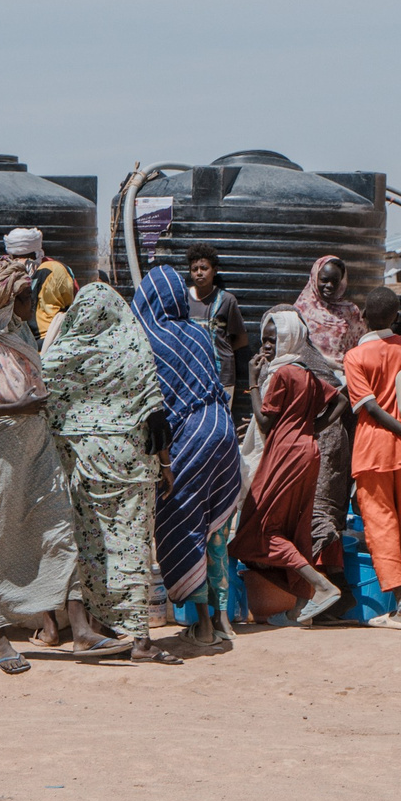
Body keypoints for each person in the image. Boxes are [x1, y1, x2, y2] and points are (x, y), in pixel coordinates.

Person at [0, 264, 81, 674]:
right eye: (25, 298)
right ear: (9, 303)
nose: (31, 304)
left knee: (60, 528)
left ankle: (79, 628)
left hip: (37, 449)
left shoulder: (23, 336)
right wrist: (15, 408)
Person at [40, 283, 177, 663]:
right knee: (132, 546)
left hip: (84, 466)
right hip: (132, 465)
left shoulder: (65, 351)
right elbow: (154, 411)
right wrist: (166, 466)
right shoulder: (132, 347)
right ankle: (139, 640)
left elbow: (40, 392)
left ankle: (99, 628)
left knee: (92, 546)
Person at [133, 264, 244, 646]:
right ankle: (223, 617)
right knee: (216, 531)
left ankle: (203, 625)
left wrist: (164, 461)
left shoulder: (145, 337)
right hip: (223, 429)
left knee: (181, 525)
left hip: (189, 437)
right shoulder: (197, 332)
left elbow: (155, 407)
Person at [228, 311, 343, 623]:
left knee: (262, 528)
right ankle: (300, 600)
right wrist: (310, 428)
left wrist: (251, 382)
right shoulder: (304, 371)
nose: (266, 346)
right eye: (264, 339)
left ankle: (320, 586)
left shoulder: (281, 375)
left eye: (273, 339)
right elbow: (340, 401)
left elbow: (266, 423)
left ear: (288, 339)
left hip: (285, 455)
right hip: (307, 451)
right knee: (294, 528)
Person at [345, 288, 401, 621]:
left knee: (381, 526)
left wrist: (400, 432)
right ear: (396, 316)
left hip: (372, 448)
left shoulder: (355, 357)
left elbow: (371, 409)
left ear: (363, 315)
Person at [295, 255, 366, 585]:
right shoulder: (300, 311)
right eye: (323, 278)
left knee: (335, 484)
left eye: (334, 280)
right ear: (314, 277)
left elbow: (358, 353)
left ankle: (332, 579)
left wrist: (344, 384)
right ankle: (321, 578)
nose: (328, 285)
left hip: (344, 404)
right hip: (310, 403)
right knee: (311, 489)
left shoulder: (351, 314)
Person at [183, 244, 251, 421]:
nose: (199, 273)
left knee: (219, 422)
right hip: (191, 373)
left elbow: (241, 339)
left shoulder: (227, 301)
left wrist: (221, 351)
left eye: (204, 268)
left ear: (214, 270)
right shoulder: (182, 299)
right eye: (194, 269)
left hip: (222, 375)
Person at [5, 227, 78, 341]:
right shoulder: (7, 272)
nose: (21, 261)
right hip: (30, 337)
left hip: (48, 337)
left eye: (27, 256)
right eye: (16, 258)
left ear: (37, 254)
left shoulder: (54, 269)